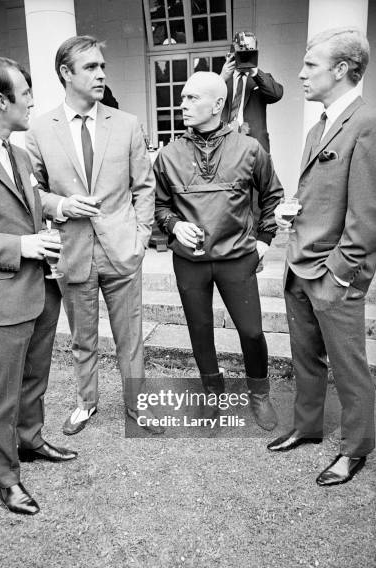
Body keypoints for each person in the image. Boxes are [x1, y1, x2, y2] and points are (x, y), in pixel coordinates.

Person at [26, 36, 162, 435]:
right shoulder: (39, 130)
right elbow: (33, 191)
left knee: (130, 338)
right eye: (90, 67)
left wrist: (139, 239)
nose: (101, 73)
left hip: (122, 250)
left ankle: (137, 407)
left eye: (102, 66)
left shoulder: (127, 123)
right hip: (74, 251)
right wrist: (61, 206)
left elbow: (144, 188)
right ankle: (86, 403)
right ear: (66, 73)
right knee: (82, 340)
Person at [0, 57, 77, 516]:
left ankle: (30, 441)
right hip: (3, 293)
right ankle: (6, 479)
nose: (33, 99)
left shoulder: (16, 150)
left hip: (42, 287)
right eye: (26, 91)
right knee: (2, 393)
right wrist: (23, 245)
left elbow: (28, 202)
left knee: (35, 378)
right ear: (1, 101)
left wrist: (52, 216)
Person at [268, 27, 376, 486]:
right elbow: (323, 191)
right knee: (305, 357)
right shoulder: (318, 126)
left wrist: (340, 274)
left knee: (349, 366)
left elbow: (367, 215)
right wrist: (291, 207)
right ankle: (309, 428)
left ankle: (356, 449)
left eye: (310, 66)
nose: (300, 74)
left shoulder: (367, 122)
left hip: (333, 272)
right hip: (300, 263)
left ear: (342, 69)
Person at [154, 71, 283, 430]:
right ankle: (212, 393)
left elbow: (273, 195)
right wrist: (174, 225)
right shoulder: (168, 155)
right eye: (182, 98)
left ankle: (259, 393)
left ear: (218, 104)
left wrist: (263, 240)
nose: (183, 104)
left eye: (192, 98)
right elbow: (159, 207)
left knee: (253, 332)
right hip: (190, 261)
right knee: (199, 328)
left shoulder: (249, 148)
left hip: (237, 258)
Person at [220, 31, 283, 153]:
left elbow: (276, 95)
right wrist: (222, 77)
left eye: (250, 49)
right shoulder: (223, 80)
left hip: (254, 145)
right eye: (241, 49)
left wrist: (255, 73)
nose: (245, 53)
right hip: (225, 144)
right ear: (233, 51)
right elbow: (207, 102)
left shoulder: (261, 79)